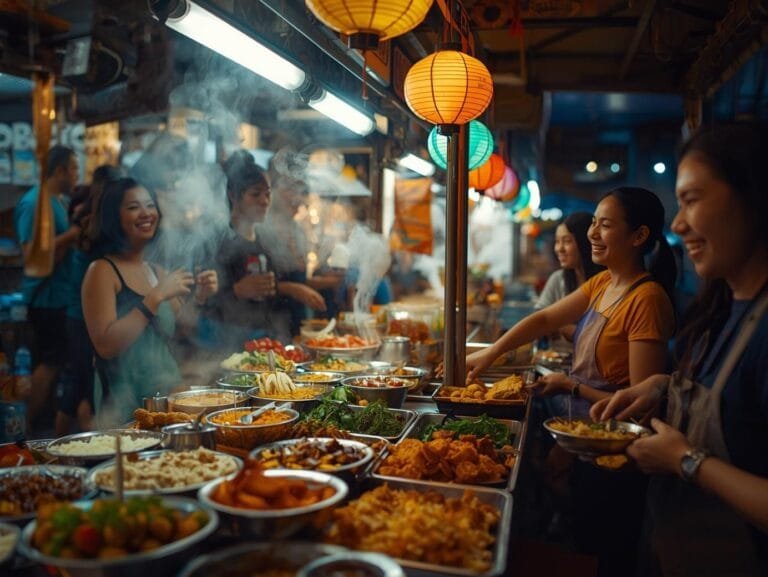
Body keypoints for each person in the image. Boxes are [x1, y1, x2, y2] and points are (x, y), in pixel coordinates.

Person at [465, 187, 676, 576]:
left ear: (639, 236)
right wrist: (490, 352)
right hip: (584, 440)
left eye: (606, 225)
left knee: (607, 555)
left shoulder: (646, 299)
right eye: (593, 223)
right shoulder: (602, 285)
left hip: (616, 458)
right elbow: (544, 319)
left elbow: (638, 408)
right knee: (583, 543)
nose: (593, 233)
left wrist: (570, 385)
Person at [591, 123, 768, 576]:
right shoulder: (724, 307)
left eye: (692, 199)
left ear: (752, 196)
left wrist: (686, 461)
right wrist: (663, 387)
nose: (678, 223)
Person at [81, 177, 218, 426]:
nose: (146, 213)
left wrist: (200, 297)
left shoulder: (156, 271)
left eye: (149, 205)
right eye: (133, 207)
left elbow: (183, 326)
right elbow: (106, 345)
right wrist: (154, 298)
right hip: (123, 406)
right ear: (114, 217)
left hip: (168, 396)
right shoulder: (101, 271)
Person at [13, 144, 80, 430]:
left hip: (60, 296)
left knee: (54, 365)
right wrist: (72, 235)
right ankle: (22, 432)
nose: (78, 174)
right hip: (46, 299)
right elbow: (31, 256)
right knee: (49, 364)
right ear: (60, 170)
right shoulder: (34, 203)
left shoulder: (56, 201)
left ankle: (44, 428)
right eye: (75, 168)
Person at [55, 165, 124, 435]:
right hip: (83, 314)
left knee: (80, 382)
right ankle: (67, 446)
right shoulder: (97, 224)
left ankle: (73, 443)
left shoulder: (86, 215)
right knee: (81, 384)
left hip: (79, 311)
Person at [200, 151, 280, 349]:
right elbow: (201, 300)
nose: (264, 201)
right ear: (233, 196)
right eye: (255, 194)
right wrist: (236, 290)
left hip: (260, 338)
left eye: (268, 193)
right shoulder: (218, 241)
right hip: (223, 342)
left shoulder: (264, 242)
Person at [256, 170, 328, 338]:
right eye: (291, 190)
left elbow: (301, 279)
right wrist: (293, 289)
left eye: (302, 192)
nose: (298, 199)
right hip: (269, 320)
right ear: (275, 191)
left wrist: (327, 282)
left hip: (296, 319)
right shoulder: (261, 229)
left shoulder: (298, 231)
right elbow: (257, 284)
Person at [535, 211, 604, 343]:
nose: (559, 249)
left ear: (585, 242)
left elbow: (597, 338)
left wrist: (557, 325)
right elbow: (539, 320)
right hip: (558, 360)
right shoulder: (557, 279)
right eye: (557, 242)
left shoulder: (605, 283)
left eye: (566, 241)